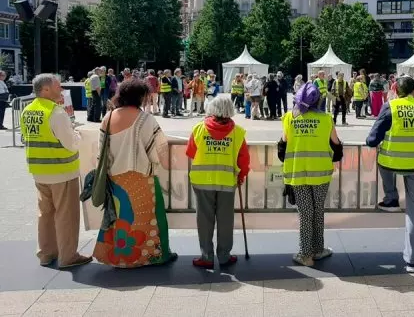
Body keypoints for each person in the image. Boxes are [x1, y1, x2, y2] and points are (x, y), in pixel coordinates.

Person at [92, 78, 177, 268]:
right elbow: (159, 150)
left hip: (115, 177)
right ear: (140, 97)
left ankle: (121, 256)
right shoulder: (145, 119)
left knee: (121, 217)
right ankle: (150, 255)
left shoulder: (109, 117)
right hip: (141, 176)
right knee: (148, 217)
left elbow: (101, 150)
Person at [21, 74, 91, 268]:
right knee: (66, 214)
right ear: (45, 90)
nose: (61, 89)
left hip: (38, 169)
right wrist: (77, 135)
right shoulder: (56, 112)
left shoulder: (27, 110)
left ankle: (46, 253)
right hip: (61, 169)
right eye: (57, 86)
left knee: (45, 213)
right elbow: (70, 144)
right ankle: (68, 256)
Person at [366, 76, 414, 273]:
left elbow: (372, 139)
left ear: (396, 91)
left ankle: (391, 197)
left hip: (393, 163)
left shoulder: (391, 106)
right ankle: (412, 259)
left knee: (382, 160)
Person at [279, 83, 342, 266]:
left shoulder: (290, 117)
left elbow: (283, 145)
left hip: (297, 172)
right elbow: (336, 145)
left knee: (305, 212)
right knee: (318, 210)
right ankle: (318, 249)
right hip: (321, 172)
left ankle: (305, 254)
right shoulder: (326, 119)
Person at [185, 97, 250, 269]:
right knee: (225, 220)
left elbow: (191, 152)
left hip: (202, 182)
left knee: (204, 220)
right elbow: (244, 159)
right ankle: (224, 256)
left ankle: (206, 256)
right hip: (227, 182)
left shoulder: (199, 129)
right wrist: (242, 174)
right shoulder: (238, 132)